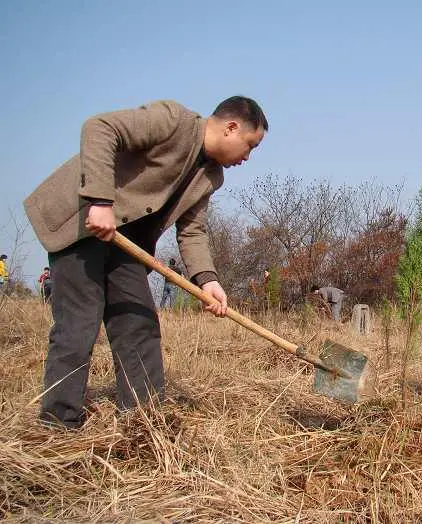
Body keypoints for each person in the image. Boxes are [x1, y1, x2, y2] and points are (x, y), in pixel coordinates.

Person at [24, 96, 268, 428]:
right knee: (80, 321)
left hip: (126, 244)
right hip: (82, 225)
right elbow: (100, 128)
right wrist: (100, 200)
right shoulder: (173, 120)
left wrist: (208, 279)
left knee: (139, 322)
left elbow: (193, 230)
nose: (247, 157)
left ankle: (143, 421)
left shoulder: (210, 176)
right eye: (250, 146)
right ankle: (59, 422)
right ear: (231, 127)